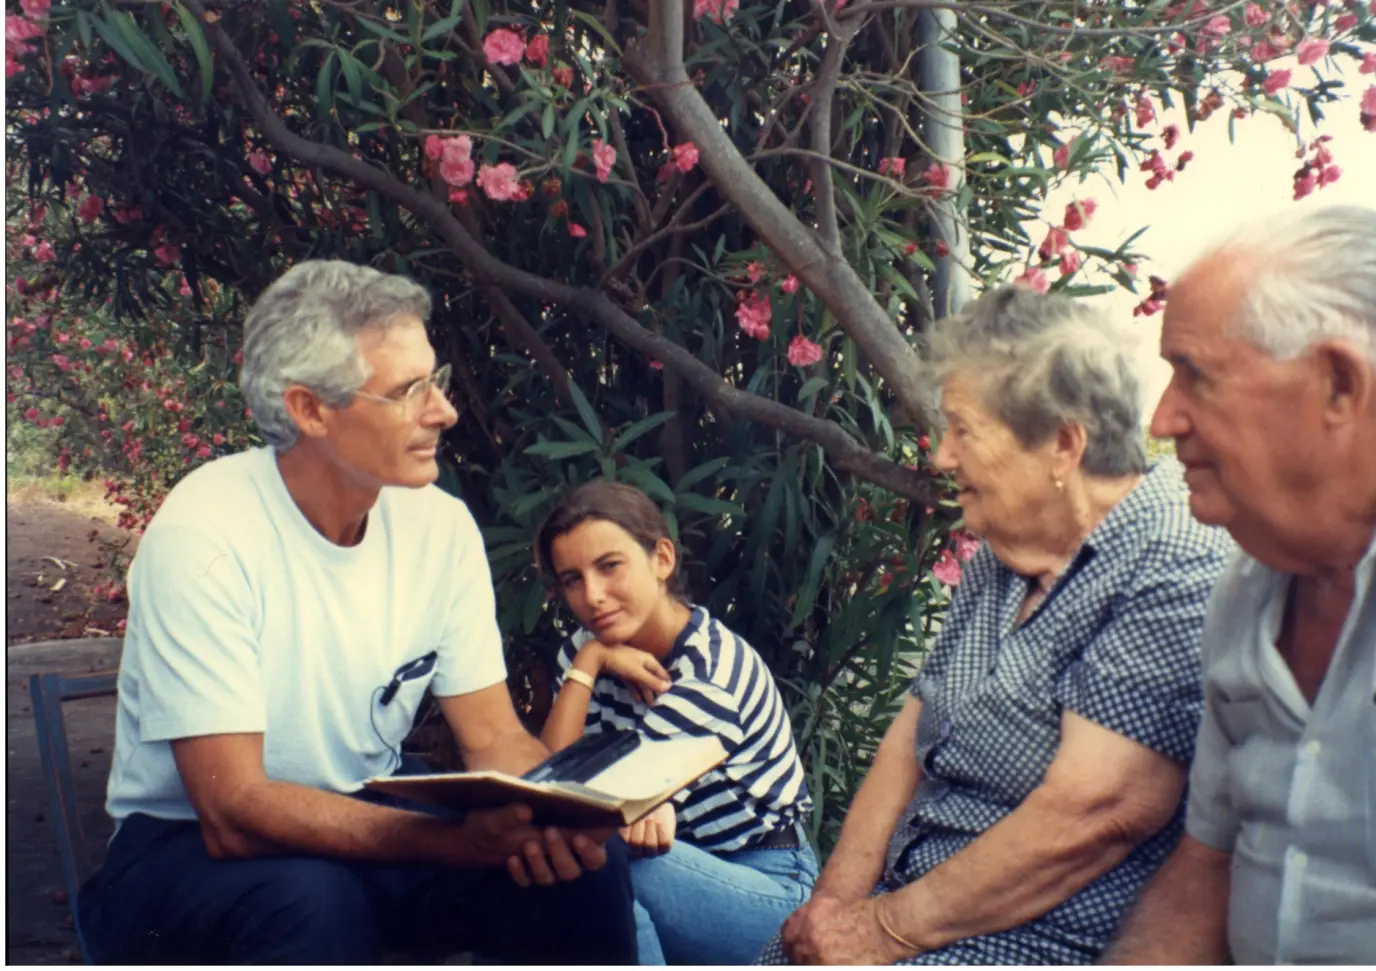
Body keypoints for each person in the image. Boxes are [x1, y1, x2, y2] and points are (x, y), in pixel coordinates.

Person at [77, 260, 637, 964]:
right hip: (181, 845)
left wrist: (565, 811)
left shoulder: (440, 527)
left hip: (363, 815)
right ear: (311, 409)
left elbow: (494, 737)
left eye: (437, 381)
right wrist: (449, 842)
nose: (444, 411)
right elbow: (232, 811)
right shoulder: (206, 533)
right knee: (315, 903)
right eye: (407, 391)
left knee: (576, 871)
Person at [761, 285, 1233, 965]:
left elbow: (1096, 812)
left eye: (964, 429)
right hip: (909, 911)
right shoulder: (1006, 553)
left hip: (1030, 941)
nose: (941, 456)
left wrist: (879, 930)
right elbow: (907, 738)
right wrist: (831, 910)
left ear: (1064, 444)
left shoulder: (1171, 556)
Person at [1105, 205, 1376, 965]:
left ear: (1339, 385)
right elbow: (1208, 864)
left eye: (1195, 373)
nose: (1162, 417)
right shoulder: (1246, 586)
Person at [534, 479, 818, 964]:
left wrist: (595, 655)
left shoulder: (712, 672)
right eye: (572, 579)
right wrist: (590, 661)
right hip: (675, 870)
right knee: (568, 861)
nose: (593, 596)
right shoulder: (587, 653)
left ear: (662, 559)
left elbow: (579, 815)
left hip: (767, 889)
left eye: (609, 567)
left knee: (596, 860)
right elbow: (546, 782)